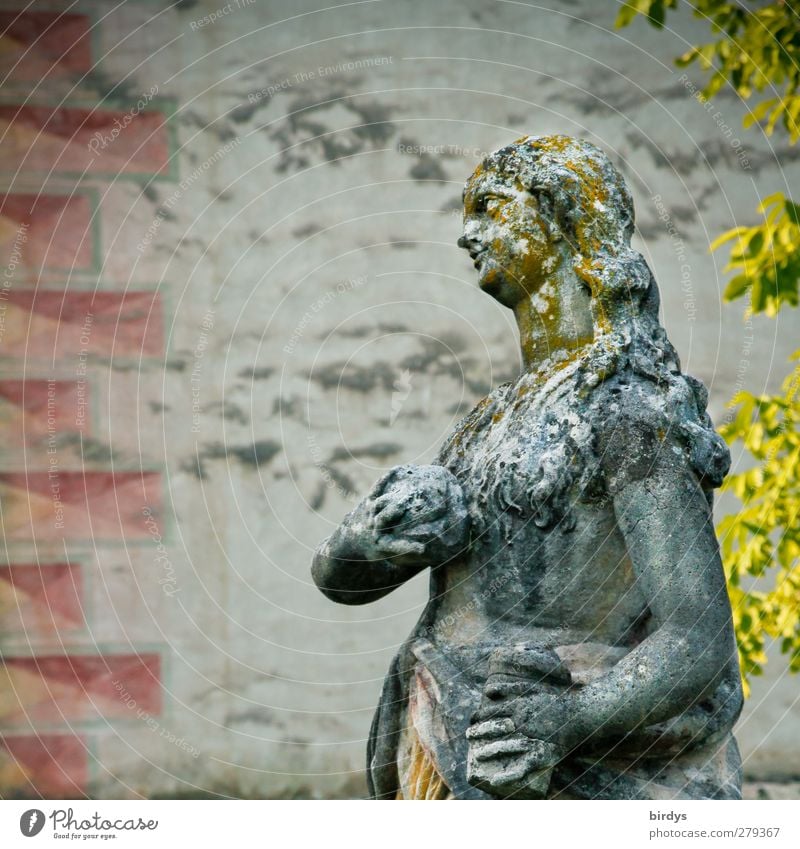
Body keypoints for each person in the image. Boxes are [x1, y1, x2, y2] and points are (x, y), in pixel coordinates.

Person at [312, 135, 743, 800]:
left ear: (562, 217)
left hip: (556, 768)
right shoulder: (484, 426)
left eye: (491, 207)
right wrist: (364, 536)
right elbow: (339, 581)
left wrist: (568, 719)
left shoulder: (626, 407)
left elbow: (698, 633)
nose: (467, 234)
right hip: (441, 752)